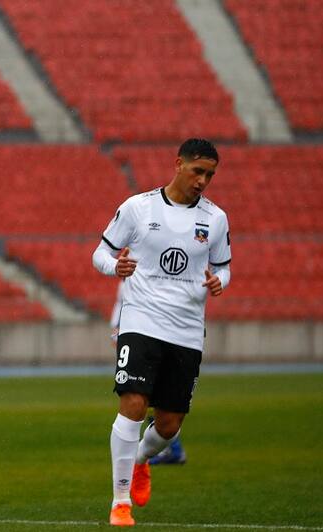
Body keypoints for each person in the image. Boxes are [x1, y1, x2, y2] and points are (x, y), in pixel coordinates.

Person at [92, 139, 231, 526]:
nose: (203, 181)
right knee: (133, 403)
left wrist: (219, 282)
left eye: (210, 175)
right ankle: (120, 502)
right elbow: (100, 253)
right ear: (178, 164)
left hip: (187, 328)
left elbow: (224, 267)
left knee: (169, 425)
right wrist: (112, 268)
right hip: (141, 319)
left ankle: (139, 459)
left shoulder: (216, 219)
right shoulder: (138, 207)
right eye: (197, 171)